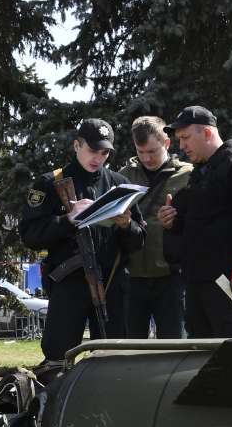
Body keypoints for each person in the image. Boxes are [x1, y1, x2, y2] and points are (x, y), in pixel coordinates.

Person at [20, 118, 146, 365]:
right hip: (70, 285)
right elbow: (30, 235)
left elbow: (139, 240)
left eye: (105, 152)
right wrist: (68, 220)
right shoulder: (50, 183)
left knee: (113, 360)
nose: (98, 158)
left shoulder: (119, 184)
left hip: (111, 285)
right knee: (58, 358)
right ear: (76, 145)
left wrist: (126, 225)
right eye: (92, 150)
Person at [157, 106, 232, 338]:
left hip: (228, 283)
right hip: (197, 283)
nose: (182, 146)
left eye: (186, 138)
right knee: (199, 358)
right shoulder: (200, 173)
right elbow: (197, 223)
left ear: (207, 133)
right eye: (179, 139)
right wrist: (172, 222)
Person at [118, 116, 193, 339]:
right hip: (132, 277)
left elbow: (201, 222)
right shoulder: (123, 177)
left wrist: (179, 219)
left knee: (174, 346)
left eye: (152, 151)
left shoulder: (188, 175)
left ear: (167, 144)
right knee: (128, 348)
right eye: (141, 152)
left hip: (172, 278)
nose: (147, 158)